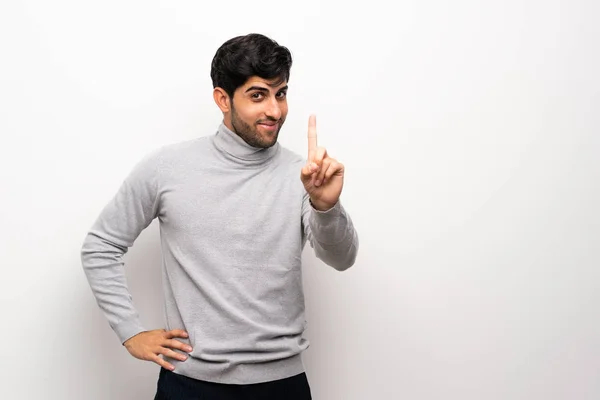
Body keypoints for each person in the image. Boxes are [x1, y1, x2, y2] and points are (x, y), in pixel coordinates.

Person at [81, 33, 359, 400]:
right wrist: (130, 332)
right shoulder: (167, 168)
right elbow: (101, 246)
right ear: (222, 99)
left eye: (281, 93)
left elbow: (341, 258)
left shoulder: (303, 175)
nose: (275, 111)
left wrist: (326, 206)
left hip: (282, 385)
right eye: (258, 95)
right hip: (189, 384)